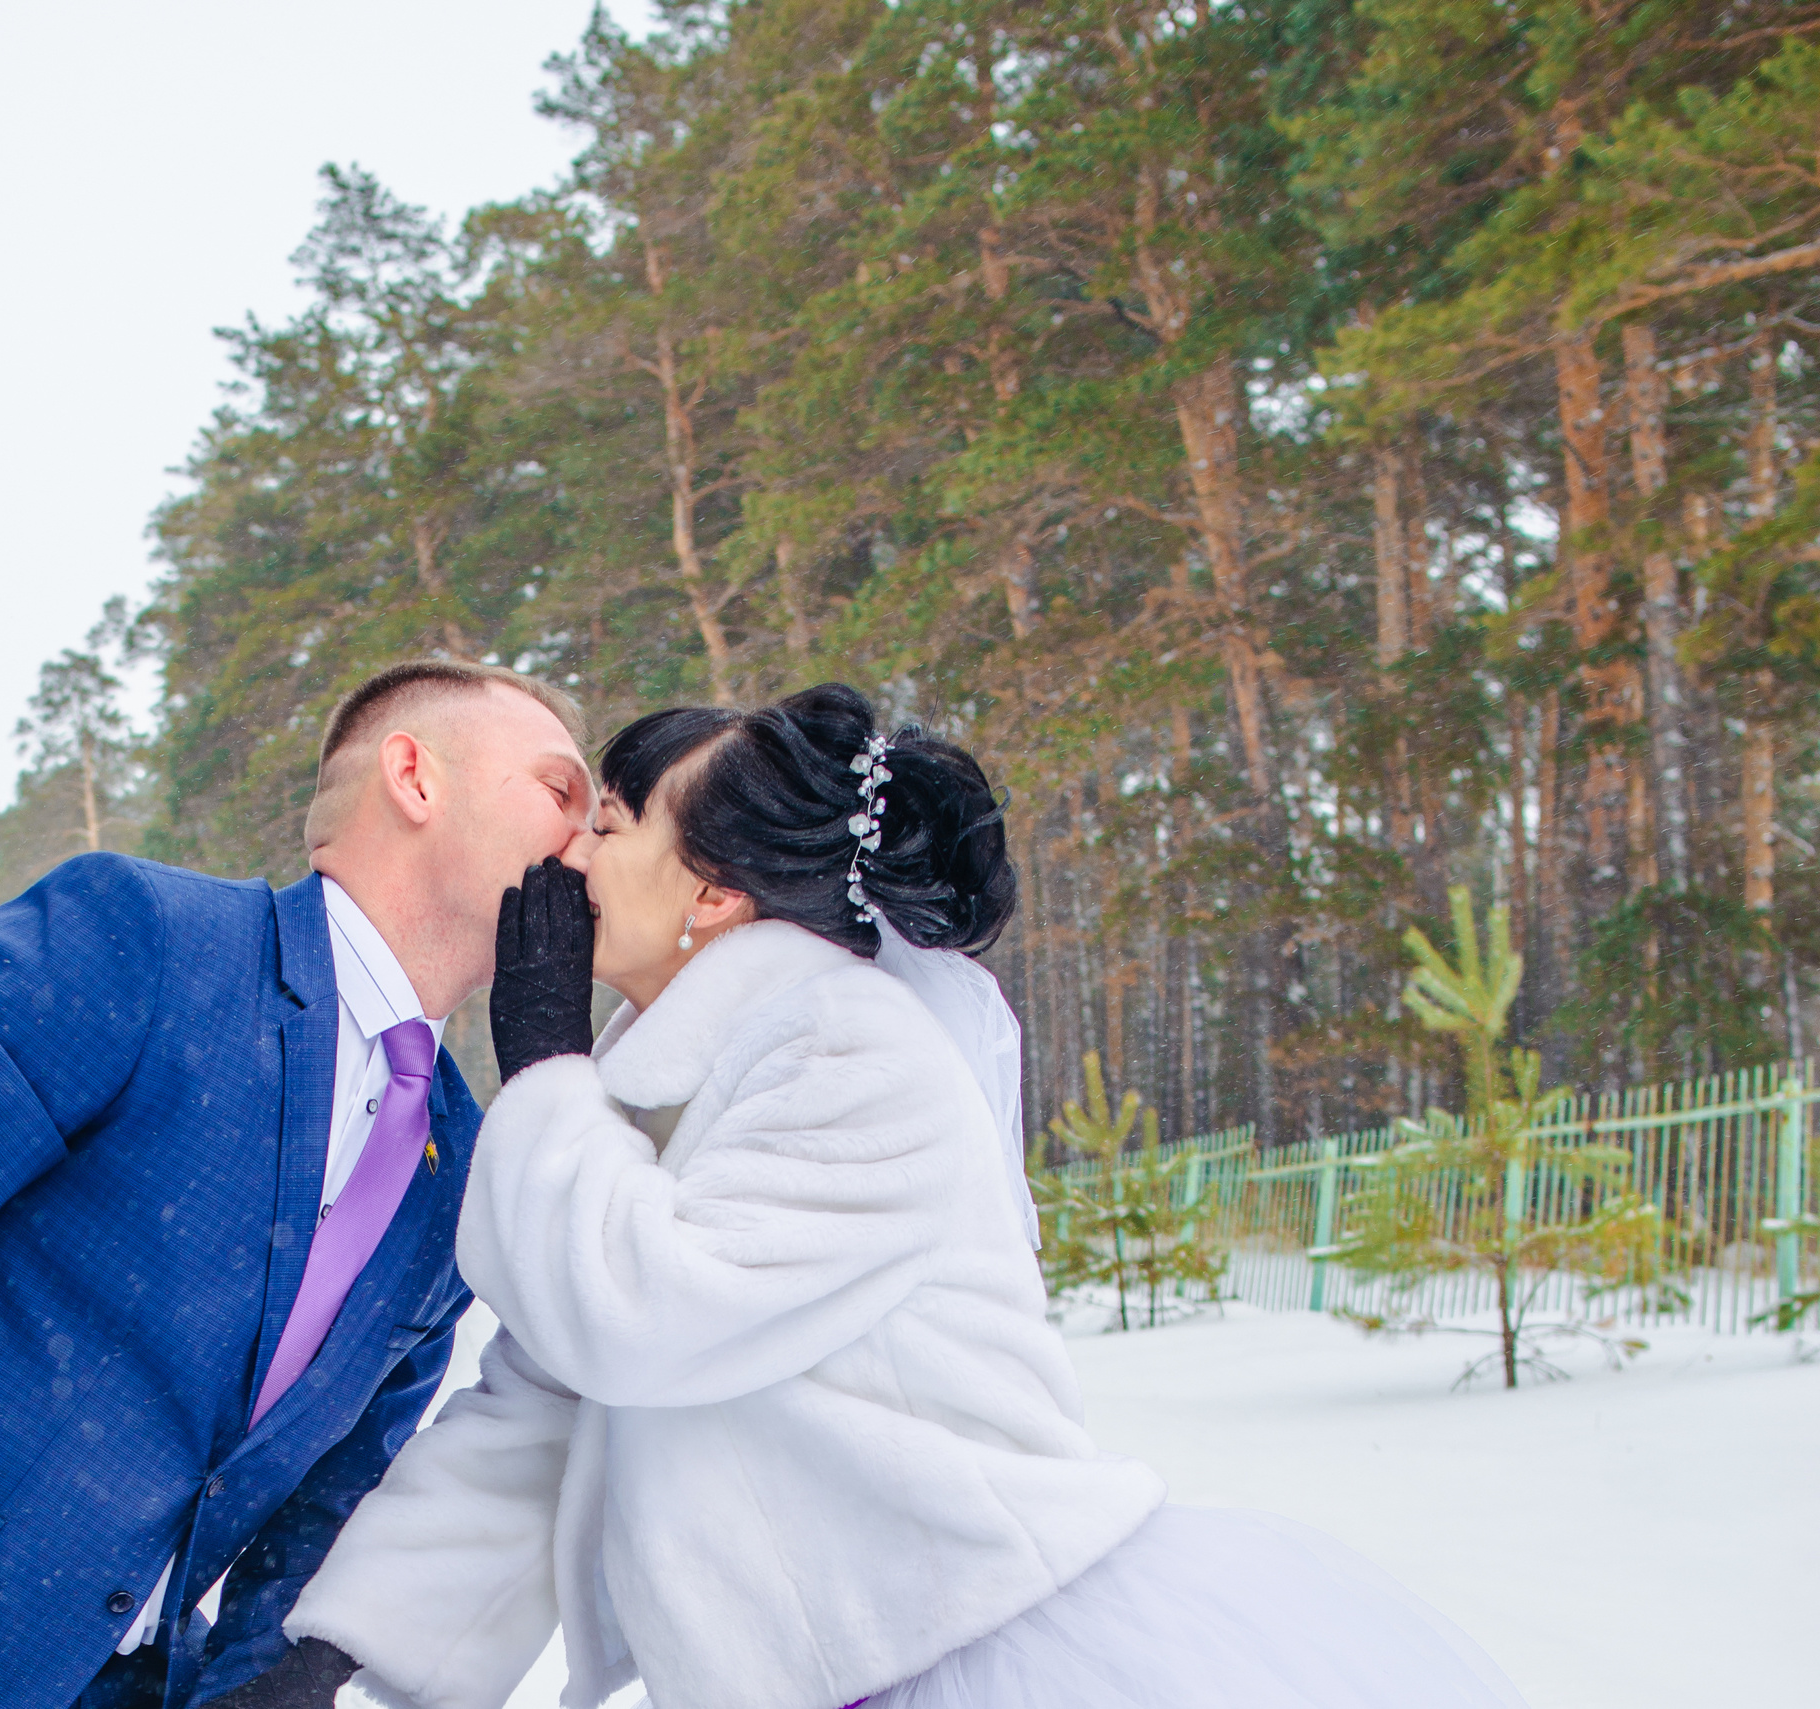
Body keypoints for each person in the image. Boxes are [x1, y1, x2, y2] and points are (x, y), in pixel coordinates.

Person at [283, 683, 1528, 1709]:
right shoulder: (647, 1091)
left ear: (714, 894)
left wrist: (544, 1059)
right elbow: (543, 1404)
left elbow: (641, 1313)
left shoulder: (848, 1049)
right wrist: (341, 1650)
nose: (571, 853)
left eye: (609, 824)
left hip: (977, 1653)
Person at [0, 661, 594, 1709]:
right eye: (560, 790)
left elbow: (327, 1508)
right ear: (414, 775)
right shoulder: (145, 942)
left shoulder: (462, 1161)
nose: (590, 838)